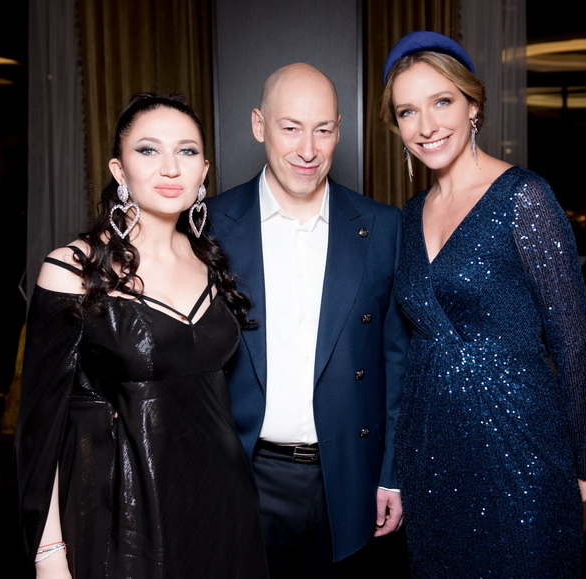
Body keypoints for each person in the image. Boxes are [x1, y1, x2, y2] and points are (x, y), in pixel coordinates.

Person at [15, 92, 268, 579]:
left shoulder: (213, 263)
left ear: (204, 170)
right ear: (119, 169)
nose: (170, 168)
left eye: (187, 151)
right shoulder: (72, 270)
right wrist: (49, 555)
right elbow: (39, 435)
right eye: (148, 150)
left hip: (223, 505)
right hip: (123, 516)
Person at [379, 31, 586, 577]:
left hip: (522, 446)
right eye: (408, 111)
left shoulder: (523, 197)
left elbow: (575, 339)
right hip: (431, 453)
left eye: (442, 101)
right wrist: (395, 470)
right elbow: (404, 350)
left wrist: (584, 459)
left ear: (472, 105)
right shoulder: (409, 216)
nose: (426, 125)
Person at [206, 63, 410, 578]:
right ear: (259, 126)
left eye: (323, 130)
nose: (308, 149)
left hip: (348, 476)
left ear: (339, 129)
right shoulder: (207, 226)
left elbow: (397, 360)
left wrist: (391, 474)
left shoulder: (383, 226)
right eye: (291, 128)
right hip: (241, 472)